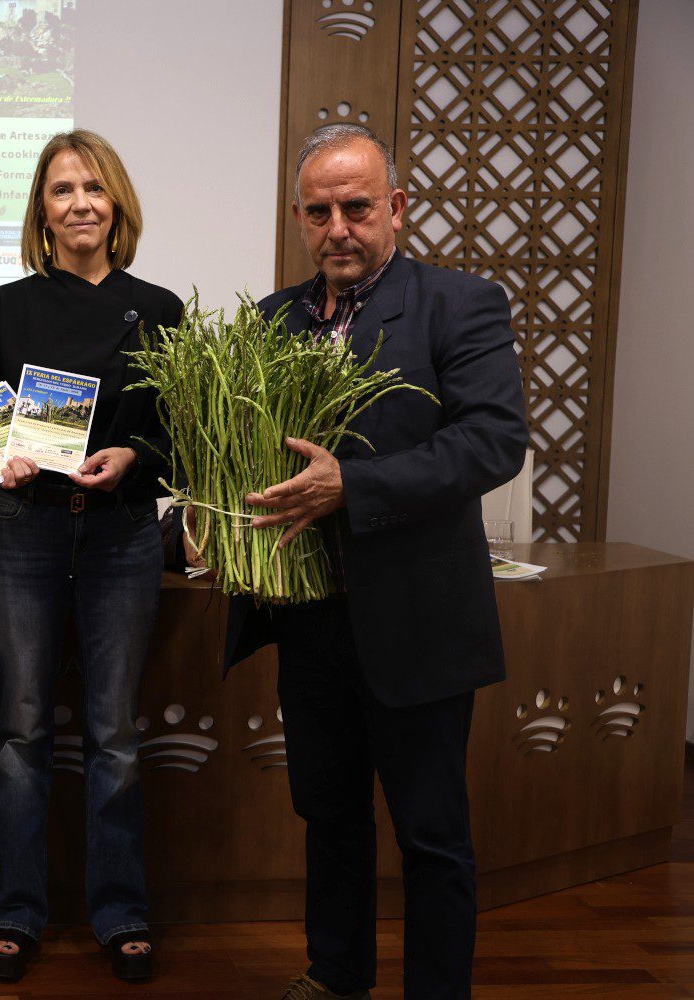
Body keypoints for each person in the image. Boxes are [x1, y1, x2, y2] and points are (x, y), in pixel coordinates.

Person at [210, 123, 528, 1000]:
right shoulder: (274, 319)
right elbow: (249, 456)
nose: (337, 228)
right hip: (311, 622)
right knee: (330, 816)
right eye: (319, 212)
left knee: (431, 836)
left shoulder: (459, 303)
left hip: (418, 623)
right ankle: (336, 975)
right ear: (300, 218)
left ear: (393, 209)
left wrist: (355, 485)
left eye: (356, 207)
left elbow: (494, 441)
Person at [0, 129, 182, 984]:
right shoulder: (6, 305)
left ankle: (121, 911)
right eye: (62, 190)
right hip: (26, 531)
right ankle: (17, 909)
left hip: (123, 531)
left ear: (115, 202)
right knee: (20, 729)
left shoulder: (159, 307)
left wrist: (135, 460)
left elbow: (175, 438)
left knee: (115, 735)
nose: (79, 202)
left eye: (93, 187)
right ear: (40, 211)